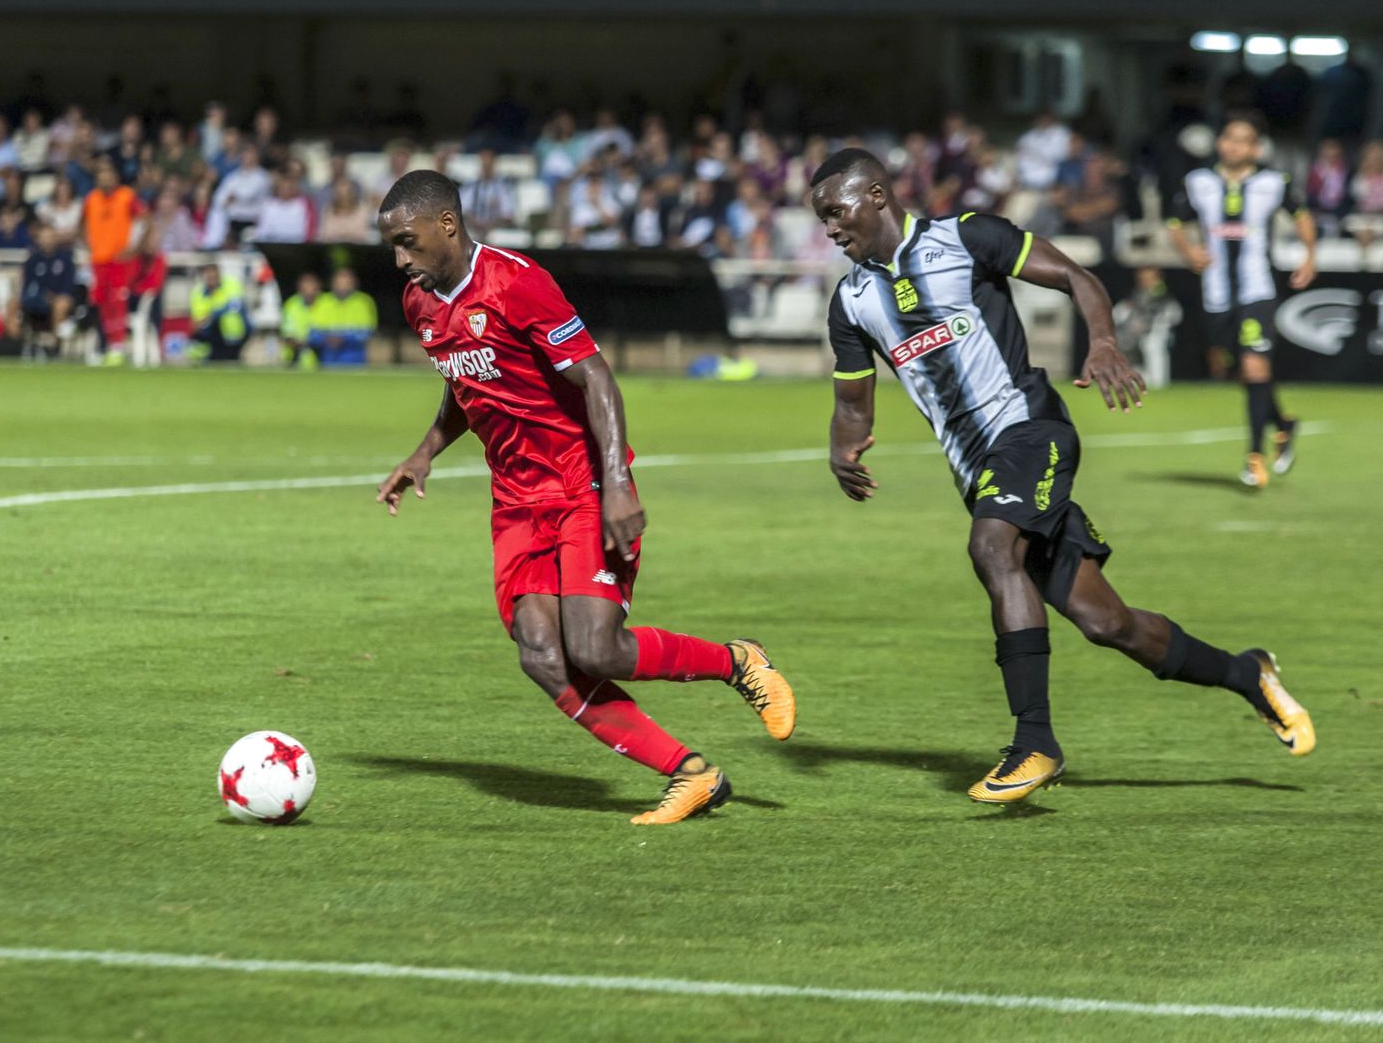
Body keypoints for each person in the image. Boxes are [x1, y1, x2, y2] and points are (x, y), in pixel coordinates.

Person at [808, 147, 1313, 805]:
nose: (830, 227)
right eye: (821, 218)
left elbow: (1077, 277)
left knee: (992, 547)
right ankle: (1248, 674)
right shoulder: (851, 301)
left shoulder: (967, 237)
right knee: (1109, 624)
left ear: (876, 195)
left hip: (1031, 431)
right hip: (979, 472)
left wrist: (1103, 339)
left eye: (836, 211)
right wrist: (842, 450)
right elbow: (853, 403)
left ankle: (1035, 743)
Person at [374, 170, 796, 825]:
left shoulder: (517, 283)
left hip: (581, 482)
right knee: (541, 654)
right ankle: (691, 774)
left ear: (447, 227)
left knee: (595, 647)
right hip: (515, 500)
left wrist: (618, 485)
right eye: (393, 247)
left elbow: (597, 377)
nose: (401, 260)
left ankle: (737, 661)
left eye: (407, 242)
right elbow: (470, 381)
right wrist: (425, 451)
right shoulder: (420, 303)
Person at [1166, 111, 1316, 488]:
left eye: (1243, 139)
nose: (1235, 146)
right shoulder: (1198, 182)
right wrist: (1188, 251)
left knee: (1255, 369)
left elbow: (1302, 216)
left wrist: (1309, 255)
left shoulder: (1273, 182)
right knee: (1235, 371)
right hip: (1216, 293)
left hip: (1257, 290)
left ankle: (1254, 456)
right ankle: (1283, 424)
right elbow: (1174, 222)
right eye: (1229, 138)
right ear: (1220, 143)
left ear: (1255, 147)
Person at [82, 159, 146, 362]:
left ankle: (118, 346)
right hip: (98, 260)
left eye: (108, 174)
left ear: (116, 177)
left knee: (117, 301)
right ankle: (109, 345)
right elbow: (81, 225)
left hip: (120, 260)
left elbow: (145, 220)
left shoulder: (126, 196)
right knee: (102, 303)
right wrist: (89, 244)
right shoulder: (91, 199)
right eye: (101, 175)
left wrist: (134, 248)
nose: (105, 178)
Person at [188, 262, 248, 362]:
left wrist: (213, 314)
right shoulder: (198, 292)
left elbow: (235, 306)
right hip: (212, 335)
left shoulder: (231, 285)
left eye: (214, 275)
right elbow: (197, 320)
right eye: (208, 275)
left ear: (219, 275)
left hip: (233, 333)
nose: (211, 278)